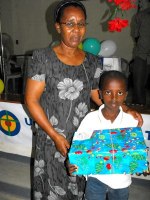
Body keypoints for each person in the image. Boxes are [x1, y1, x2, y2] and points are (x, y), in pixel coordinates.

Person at [24, 0, 143, 199]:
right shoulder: (42, 58)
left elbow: (99, 95)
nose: (76, 30)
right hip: (51, 137)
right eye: (69, 23)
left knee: (81, 186)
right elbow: (31, 100)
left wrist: (126, 108)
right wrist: (54, 136)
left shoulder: (92, 61)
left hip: (83, 137)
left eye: (81, 24)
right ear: (57, 27)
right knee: (52, 187)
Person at [69, 70, 139, 200]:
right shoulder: (91, 119)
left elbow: (135, 149)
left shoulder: (131, 121)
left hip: (121, 180)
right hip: (96, 178)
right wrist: (71, 161)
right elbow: (79, 143)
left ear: (125, 95)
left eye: (119, 93)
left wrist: (139, 161)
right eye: (108, 92)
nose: (114, 98)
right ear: (100, 93)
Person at [131, 0, 150, 106]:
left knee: (139, 83)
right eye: (139, 2)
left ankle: (139, 106)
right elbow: (135, 34)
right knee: (138, 83)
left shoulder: (140, 15)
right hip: (142, 54)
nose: (139, 4)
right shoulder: (138, 16)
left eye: (142, 2)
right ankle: (139, 107)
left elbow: (135, 34)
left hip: (142, 53)